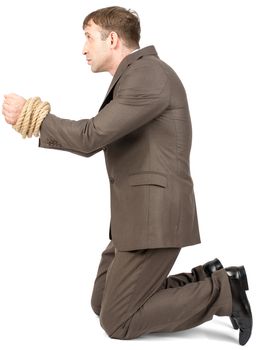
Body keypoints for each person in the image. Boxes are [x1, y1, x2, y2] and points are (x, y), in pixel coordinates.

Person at [2, 6, 252, 345]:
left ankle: (224, 290)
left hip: (155, 218)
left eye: (89, 37)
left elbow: (92, 136)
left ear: (113, 39)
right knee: (101, 302)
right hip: (135, 218)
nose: (83, 48)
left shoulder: (148, 74)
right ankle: (205, 277)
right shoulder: (136, 76)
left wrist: (36, 118)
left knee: (117, 321)